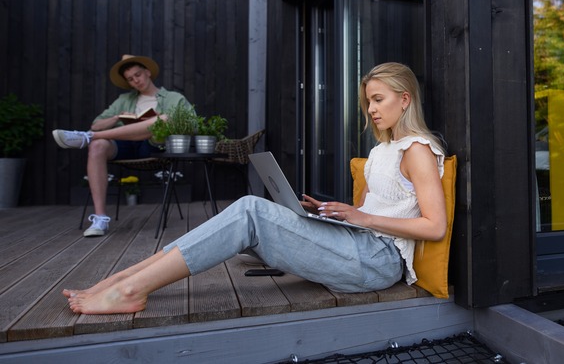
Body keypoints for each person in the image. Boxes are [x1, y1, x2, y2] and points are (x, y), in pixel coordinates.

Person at [63, 62, 447, 315]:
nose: (372, 109)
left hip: (378, 262)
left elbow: (434, 226)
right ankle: (126, 279)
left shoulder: (418, 150)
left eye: (378, 100)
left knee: (250, 209)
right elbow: (377, 212)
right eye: (368, 102)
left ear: (405, 99)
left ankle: (131, 290)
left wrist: (360, 216)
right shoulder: (383, 149)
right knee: (249, 211)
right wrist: (332, 210)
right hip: (357, 244)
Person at [52, 55, 192, 237]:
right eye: (131, 79)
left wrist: (156, 120)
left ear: (148, 73)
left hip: (153, 146)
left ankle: (88, 137)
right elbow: (96, 124)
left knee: (163, 119)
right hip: (125, 145)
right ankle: (100, 219)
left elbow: (191, 123)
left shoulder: (173, 97)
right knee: (97, 146)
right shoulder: (124, 100)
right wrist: (117, 117)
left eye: (138, 75)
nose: (136, 81)